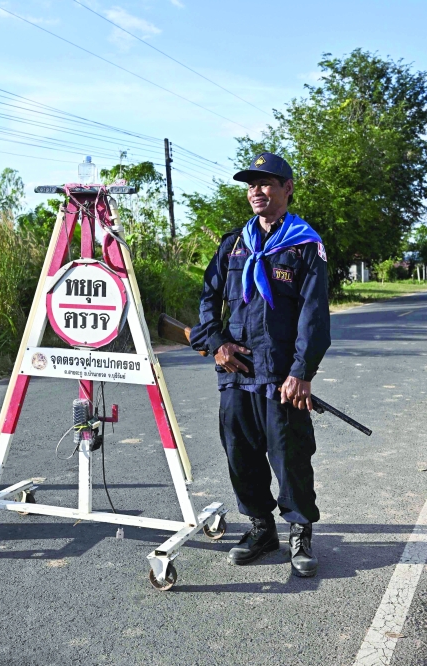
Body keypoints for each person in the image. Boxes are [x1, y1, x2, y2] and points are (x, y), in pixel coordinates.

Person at [190, 152, 330, 577]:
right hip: (236, 373)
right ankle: (260, 526)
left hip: (281, 375)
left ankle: (300, 530)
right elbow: (208, 300)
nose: (256, 190)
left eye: (266, 182)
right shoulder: (234, 243)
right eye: (251, 184)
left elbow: (314, 315)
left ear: (287, 188)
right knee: (241, 453)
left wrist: (302, 372)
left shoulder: (305, 244)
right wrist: (216, 343)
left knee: (290, 456)